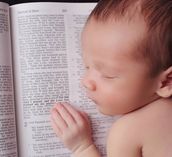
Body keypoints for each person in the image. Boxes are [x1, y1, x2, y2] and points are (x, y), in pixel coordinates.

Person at [50, 0, 172, 156]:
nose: (86, 82)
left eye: (108, 75)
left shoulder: (128, 131)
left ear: (167, 81)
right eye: (87, 66)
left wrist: (82, 147)